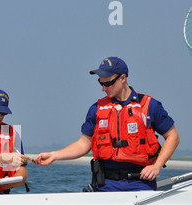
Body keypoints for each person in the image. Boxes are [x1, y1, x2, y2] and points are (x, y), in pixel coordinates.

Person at [33, 57, 180, 192]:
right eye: (100, 83)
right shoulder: (96, 109)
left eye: (108, 83)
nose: (104, 88)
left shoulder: (149, 105)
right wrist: (54, 155)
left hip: (140, 183)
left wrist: (156, 166)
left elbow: (173, 136)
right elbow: (83, 144)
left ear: (123, 78)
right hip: (105, 185)